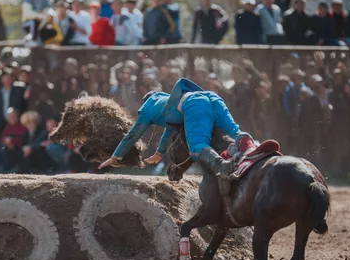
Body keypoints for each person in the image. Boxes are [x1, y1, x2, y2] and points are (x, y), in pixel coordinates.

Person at [99, 78, 255, 184]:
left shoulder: (148, 107)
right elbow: (168, 130)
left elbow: (133, 134)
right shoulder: (167, 103)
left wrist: (116, 156)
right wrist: (159, 153)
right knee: (234, 130)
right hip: (212, 97)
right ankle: (251, 147)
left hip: (194, 103)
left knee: (197, 147)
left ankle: (222, 166)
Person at [0, 108, 27, 173]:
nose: (12, 118)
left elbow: (24, 139)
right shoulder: (7, 126)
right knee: (3, 147)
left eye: (13, 116)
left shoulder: (22, 125)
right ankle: (4, 167)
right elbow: (2, 138)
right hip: (9, 147)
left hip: (19, 147)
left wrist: (12, 142)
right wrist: (7, 142)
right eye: (10, 117)